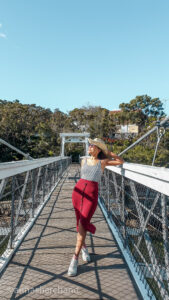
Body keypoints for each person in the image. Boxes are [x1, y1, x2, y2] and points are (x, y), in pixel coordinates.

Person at [67, 138, 124, 276]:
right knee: (79, 223)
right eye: (90, 145)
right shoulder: (83, 160)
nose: (90, 146)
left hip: (91, 197)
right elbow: (83, 177)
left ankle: (74, 259)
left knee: (83, 222)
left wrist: (108, 152)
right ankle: (84, 248)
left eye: (93, 145)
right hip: (77, 193)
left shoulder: (102, 162)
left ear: (98, 149)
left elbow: (121, 162)